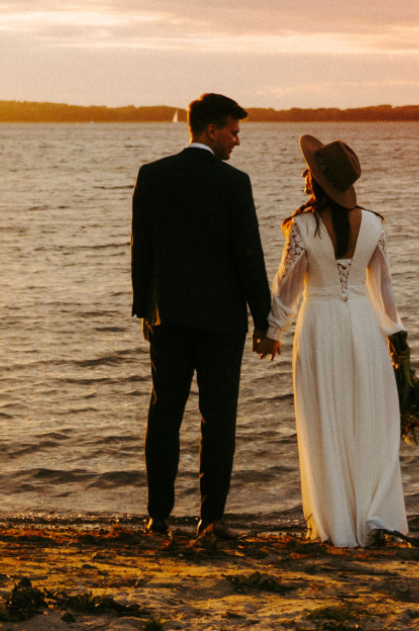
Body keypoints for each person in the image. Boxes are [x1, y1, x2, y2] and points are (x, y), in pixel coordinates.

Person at [254, 135, 408, 548]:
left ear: (318, 181)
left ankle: (336, 525)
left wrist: (271, 333)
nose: (305, 175)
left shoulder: (302, 226)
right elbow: (386, 292)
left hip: (320, 324)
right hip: (364, 326)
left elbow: (286, 288)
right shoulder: (374, 225)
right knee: (367, 420)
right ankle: (372, 519)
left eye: (311, 170)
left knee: (325, 418)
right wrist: (395, 337)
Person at [131, 93, 272, 539]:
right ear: (211, 130)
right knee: (218, 420)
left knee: (164, 414)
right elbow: (248, 254)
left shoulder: (152, 176)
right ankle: (211, 519)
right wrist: (263, 320)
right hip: (221, 323)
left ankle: (158, 517)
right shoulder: (234, 183)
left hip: (167, 317)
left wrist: (145, 309)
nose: (237, 141)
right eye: (233, 131)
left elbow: (141, 250)